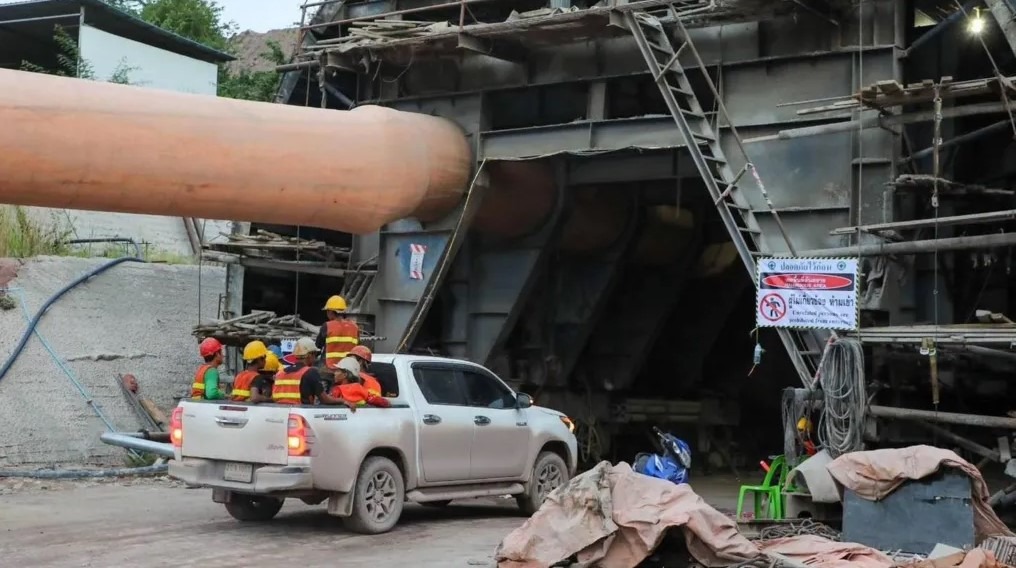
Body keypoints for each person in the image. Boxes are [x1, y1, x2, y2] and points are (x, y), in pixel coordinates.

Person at [273, 337, 357, 409]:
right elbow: (325, 399)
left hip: (279, 415)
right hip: (300, 413)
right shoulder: (310, 372)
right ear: (310, 355)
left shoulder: (280, 374)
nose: (315, 358)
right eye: (315, 354)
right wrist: (344, 401)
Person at [316, 295, 361, 371]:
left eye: (327, 311)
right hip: (349, 369)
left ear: (330, 311)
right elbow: (358, 348)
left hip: (329, 368)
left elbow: (318, 346)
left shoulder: (327, 326)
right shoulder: (355, 327)